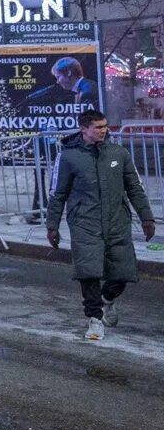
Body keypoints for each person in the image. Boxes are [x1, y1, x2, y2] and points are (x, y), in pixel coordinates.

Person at [48, 109, 154, 341]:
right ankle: (95, 319)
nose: (104, 131)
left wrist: (147, 217)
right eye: (98, 127)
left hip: (117, 221)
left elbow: (134, 187)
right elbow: (58, 193)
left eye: (105, 126)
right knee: (89, 272)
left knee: (123, 272)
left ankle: (107, 300)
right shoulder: (67, 157)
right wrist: (52, 225)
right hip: (84, 222)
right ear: (83, 129)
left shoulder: (119, 153)